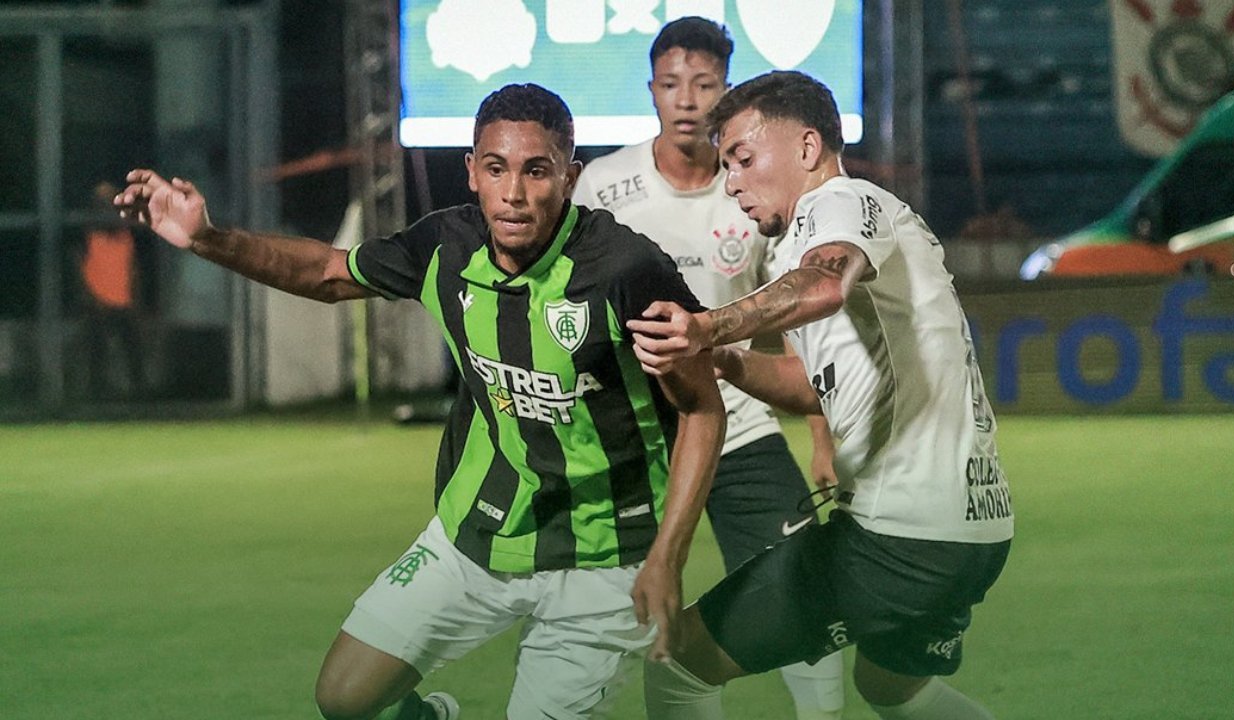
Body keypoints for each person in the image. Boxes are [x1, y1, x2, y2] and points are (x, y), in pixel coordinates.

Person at [115, 83, 726, 720]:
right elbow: (327, 273)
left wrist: (666, 557)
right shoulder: (445, 247)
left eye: (536, 170)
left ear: (569, 177)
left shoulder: (627, 269)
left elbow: (702, 410)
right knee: (343, 698)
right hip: (476, 535)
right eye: (496, 169)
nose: (514, 193)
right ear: (472, 173)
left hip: (607, 556)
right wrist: (207, 238)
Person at [627, 71, 1014, 720]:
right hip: (970, 531)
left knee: (680, 664)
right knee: (893, 687)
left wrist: (707, 324)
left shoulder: (839, 203)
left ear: (808, 148)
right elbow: (813, 389)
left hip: (900, 537)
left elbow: (826, 284)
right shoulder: (799, 251)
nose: (733, 183)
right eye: (726, 167)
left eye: (744, 159)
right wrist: (723, 358)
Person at [572, 18, 845, 720]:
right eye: (671, 85)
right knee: (624, 620)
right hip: (636, 439)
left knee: (801, 592)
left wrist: (821, 439)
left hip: (744, 431)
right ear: (652, 92)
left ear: (727, 92)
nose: (687, 100)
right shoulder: (604, 185)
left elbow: (793, 327)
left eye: (704, 85)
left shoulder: (753, 189)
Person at [81, 180, 147, 400]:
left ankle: (139, 395)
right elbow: (78, 268)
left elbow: (134, 268)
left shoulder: (126, 232)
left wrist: (136, 299)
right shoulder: (87, 234)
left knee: (133, 349)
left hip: (124, 301)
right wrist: (89, 297)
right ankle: (95, 394)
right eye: (101, 202)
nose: (107, 206)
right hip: (97, 301)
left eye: (110, 201)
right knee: (96, 349)